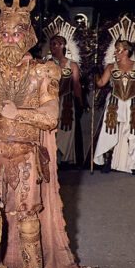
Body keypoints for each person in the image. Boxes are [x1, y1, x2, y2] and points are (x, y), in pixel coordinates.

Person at [0, 0, 85, 268]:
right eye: (3, 34)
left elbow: (51, 116)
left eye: (16, 33)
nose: (9, 39)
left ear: (27, 36)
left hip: (26, 153)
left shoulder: (43, 71)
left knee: (27, 213)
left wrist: (19, 112)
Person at [93, 21, 135, 175]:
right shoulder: (111, 67)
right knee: (109, 131)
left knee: (134, 132)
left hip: (133, 103)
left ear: (126, 51)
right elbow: (101, 83)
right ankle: (107, 161)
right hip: (114, 102)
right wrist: (95, 73)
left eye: (118, 50)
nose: (115, 53)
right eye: (115, 50)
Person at [46, 29, 83, 166]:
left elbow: (76, 85)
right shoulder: (47, 64)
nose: (52, 47)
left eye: (55, 44)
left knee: (66, 129)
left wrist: (80, 102)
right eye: (51, 44)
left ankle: (66, 159)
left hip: (67, 101)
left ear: (62, 45)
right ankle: (51, 158)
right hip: (50, 100)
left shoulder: (72, 65)